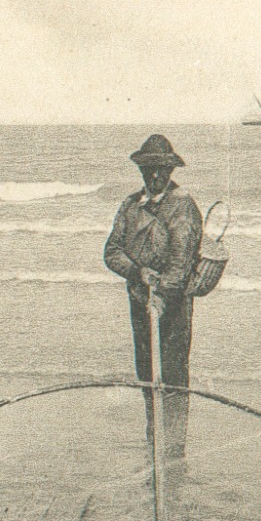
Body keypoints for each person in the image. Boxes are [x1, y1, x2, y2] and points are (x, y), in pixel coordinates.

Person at [103, 134, 202, 459]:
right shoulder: (130, 206)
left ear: (170, 170)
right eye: (149, 170)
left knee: (172, 377)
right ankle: (153, 442)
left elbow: (181, 262)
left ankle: (174, 449)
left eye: (161, 169)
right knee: (146, 374)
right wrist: (137, 272)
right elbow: (112, 251)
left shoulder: (183, 207)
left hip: (171, 308)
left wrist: (161, 298)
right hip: (139, 303)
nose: (155, 176)